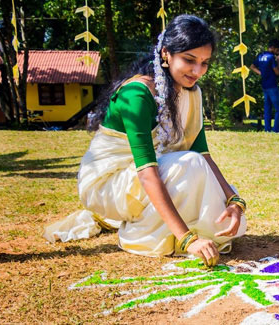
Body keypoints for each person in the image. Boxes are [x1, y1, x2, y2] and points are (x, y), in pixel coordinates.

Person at [44, 15, 246, 266]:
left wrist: (234, 201)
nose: (197, 71)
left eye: (205, 63)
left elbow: (203, 154)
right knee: (189, 165)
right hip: (109, 182)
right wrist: (187, 239)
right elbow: (147, 172)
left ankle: (171, 226)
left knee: (209, 188)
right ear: (166, 54)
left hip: (161, 170)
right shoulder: (136, 94)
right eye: (189, 60)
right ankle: (143, 234)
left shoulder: (192, 93)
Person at [250, 39, 279, 133]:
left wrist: (260, 73)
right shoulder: (271, 57)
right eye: (278, 50)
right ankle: (276, 130)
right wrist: (278, 61)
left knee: (267, 109)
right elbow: (277, 72)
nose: (278, 52)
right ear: (273, 48)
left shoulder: (261, 55)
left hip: (264, 85)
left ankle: (267, 129)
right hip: (272, 85)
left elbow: (252, 66)